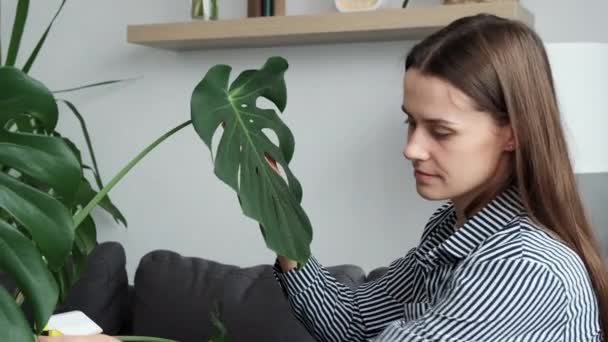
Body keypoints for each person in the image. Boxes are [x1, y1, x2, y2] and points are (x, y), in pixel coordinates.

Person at [40, 13, 606, 342]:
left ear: (513, 132)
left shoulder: (524, 269)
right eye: (410, 123)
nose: (411, 148)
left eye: (441, 130)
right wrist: (280, 216)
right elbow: (352, 320)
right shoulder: (454, 232)